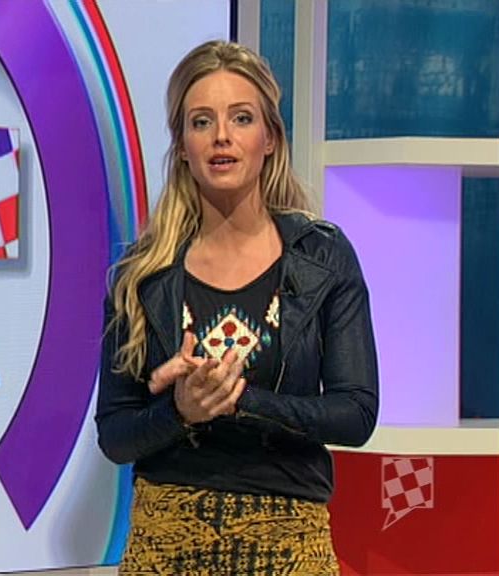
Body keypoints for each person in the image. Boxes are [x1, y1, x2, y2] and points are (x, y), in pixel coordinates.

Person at [96, 40, 378, 575]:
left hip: (289, 546)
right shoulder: (140, 275)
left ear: (269, 138)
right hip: (167, 546)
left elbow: (356, 414)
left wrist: (240, 399)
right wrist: (180, 410)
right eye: (201, 122)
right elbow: (114, 435)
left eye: (241, 118)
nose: (221, 136)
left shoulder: (322, 257)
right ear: (182, 146)